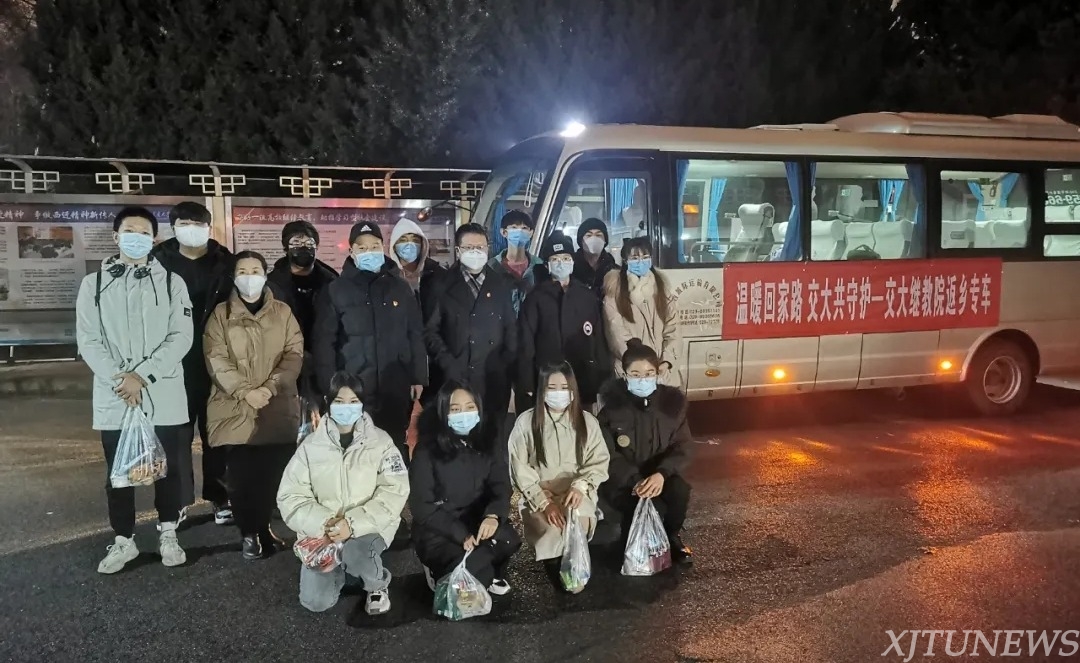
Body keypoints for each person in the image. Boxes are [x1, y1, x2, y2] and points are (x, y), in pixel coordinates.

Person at [75, 206, 194, 574]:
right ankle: (124, 539)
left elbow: (181, 337)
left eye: (144, 232)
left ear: (154, 239)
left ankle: (168, 532)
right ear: (116, 236)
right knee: (119, 472)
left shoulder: (172, 282)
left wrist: (141, 376)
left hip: (161, 391)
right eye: (130, 230)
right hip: (117, 395)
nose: (137, 237)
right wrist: (121, 379)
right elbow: (88, 339)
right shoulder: (93, 284)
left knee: (168, 468)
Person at [277, 372, 410, 615]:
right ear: (328, 402)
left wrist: (352, 524)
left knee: (357, 553)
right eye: (339, 401)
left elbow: (395, 490)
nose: (346, 407)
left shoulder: (381, 442)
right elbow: (290, 496)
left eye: (353, 401)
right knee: (316, 602)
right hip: (324, 532)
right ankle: (344, 570)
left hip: (368, 527)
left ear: (362, 404)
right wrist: (325, 523)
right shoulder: (310, 446)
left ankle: (377, 584)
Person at [204, 250, 304, 560]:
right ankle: (250, 534)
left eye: (256, 270)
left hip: (276, 405)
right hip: (235, 406)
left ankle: (264, 528)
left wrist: (271, 387)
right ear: (234, 277)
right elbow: (215, 357)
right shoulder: (221, 314)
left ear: (265, 274)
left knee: (272, 475)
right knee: (242, 478)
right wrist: (246, 392)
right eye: (243, 271)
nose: (250, 277)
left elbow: (294, 353)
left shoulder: (282, 312)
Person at [313, 221, 426, 465]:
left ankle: (395, 484)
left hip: (395, 383)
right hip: (353, 388)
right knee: (355, 445)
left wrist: (418, 376)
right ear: (351, 251)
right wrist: (329, 386)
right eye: (362, 247)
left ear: (383, 248)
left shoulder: (400, 287)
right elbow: (324, 343)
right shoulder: (335, 290)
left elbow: (414, 333)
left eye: (374, 246)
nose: (369, 252)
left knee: (394, 440)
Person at [151, 201, 233, 525]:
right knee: (175, 438)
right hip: (173, 365)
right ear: (173, 227)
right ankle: (177, 501)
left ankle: (220, 496)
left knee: (218, 434)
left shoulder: (226, 262)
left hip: (216, 363)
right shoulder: (156, 262)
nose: (192, 229)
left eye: (198, 224)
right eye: (184, 224)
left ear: (209, 228)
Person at [410, 381, 521, 595]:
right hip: (440, 529)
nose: (464, 414)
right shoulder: (427, 449)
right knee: (473, 581)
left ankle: (481, 570)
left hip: (476, 519)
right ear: (444, 412)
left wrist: (493, 515)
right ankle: (450, 570)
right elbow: (422, 507)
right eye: (455, 409)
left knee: (508, 540)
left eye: (470, 407)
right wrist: (460, 534)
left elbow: (500, 485)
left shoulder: (487, 440)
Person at [508, 363, 610, 578]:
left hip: (575, 492)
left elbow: (598, 461)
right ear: (541, 390)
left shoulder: (587, 422)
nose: (558, 393)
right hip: (539, 494)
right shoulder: (526, 422)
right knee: (552, 530)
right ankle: (555, 566)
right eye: (551, 387)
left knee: (576, 524)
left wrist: (581, 486)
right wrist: (544, 503)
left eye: (564, 387)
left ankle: (573, 567)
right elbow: (519, 468)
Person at [597, 340, 693, 564]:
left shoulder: (672, 405)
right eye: (636, 374)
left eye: (649, 373)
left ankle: (671, 537)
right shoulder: (612, 410)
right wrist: (635, 480)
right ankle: (630, 542)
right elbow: (607, 453)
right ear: (625, 374)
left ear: (657, 373)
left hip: (660, 474)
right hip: (625, 480)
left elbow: (683, 445)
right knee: (639, 513)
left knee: (679, 491)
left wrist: (662, 474)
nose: (643, 380)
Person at [422, 223, 517, 425]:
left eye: (480, 247)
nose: (475, 252)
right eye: (469, 247)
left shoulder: (501, 283)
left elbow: (511, 328)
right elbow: (430, 331)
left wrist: (503, 363)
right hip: (455, 375)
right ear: (458, 251)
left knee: (492, 432)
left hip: (492, 377)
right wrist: (448, 363)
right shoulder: (440, 284)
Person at [518, 232, 610, 413]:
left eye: (566, 258)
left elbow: (598, 338)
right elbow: (526, 342)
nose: (561, 263)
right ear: (547, 264)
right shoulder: (536, 297)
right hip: (547, 378)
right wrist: (526, 381)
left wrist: (602, 378)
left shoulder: (586, 296)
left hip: (582, 376)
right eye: (555, 259)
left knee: (582, 422)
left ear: (573, 261)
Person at [266, 220, 338, 409]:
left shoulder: (332, 282)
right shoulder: (271, 284)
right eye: (296, 243)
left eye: (309, 243)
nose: (304, 248)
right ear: (285, 248)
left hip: (324, 362)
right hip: (284, 363)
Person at [602, 237, 682, 389]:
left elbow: (674, 329)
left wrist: (666, 362)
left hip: (663, 371)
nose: (640, 262)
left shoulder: (662, 289)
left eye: (645, 257)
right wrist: (641, 366)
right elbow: (616, 333)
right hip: (632, 372)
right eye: (634, 258)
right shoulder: (614, 292)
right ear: (625, 261)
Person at [488, 210, 542, 316]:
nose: (519, 231)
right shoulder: (492, 266)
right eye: (514, 227)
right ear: (504, 232)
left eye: (524, 228)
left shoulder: (539, 266)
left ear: (531, 233)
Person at [388, 216, 446, 298]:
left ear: (423, 245)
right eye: (403, 240)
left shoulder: (438, 274)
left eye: (415, 240)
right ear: (394, 246)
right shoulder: (386, 276)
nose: (409, 244)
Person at [571, 218, 617, 295]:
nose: (593, 239)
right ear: (581, 240)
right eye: (589, 235)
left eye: (598, 235)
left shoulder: (613, 269)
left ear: (605, 240)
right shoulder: (571, 268)